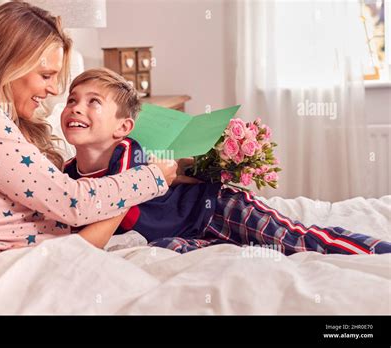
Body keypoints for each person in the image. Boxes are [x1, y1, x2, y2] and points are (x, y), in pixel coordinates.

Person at [0, 2, 180, 296]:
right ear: (8, 65)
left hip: (22, 260)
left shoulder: (5, 124)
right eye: (46, 75)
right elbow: (71, 202)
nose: (55, 90)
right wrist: (152, 177)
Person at [60, 68, 391, 256]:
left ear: (123, 128)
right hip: (184, 232)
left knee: (299, 239)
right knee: (171, 252)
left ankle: (380, 251)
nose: (76, 107)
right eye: (72, 100)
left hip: (215, 207)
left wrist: (213, 167)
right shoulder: (69, 174)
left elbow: (129, 197)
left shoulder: (127, 153)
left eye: (93, 102)